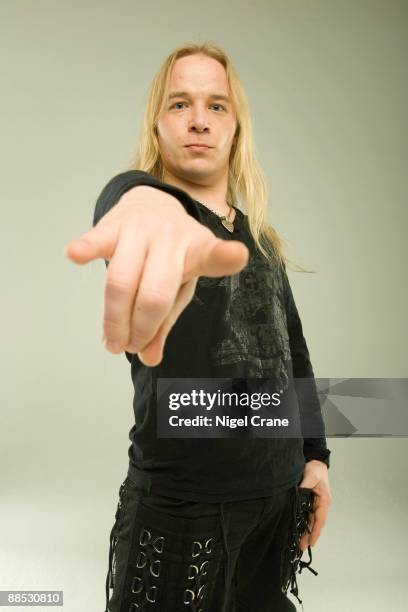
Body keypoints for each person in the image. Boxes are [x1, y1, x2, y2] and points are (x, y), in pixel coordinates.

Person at [64, 42, 332, 612]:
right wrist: (141, 200)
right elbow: (131, 198)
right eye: (180, 104)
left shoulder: (260, 239)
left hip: (278, 500)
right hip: (185, 506)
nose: (198, 121)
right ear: (157, 125)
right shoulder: (152, 212)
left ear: (236, 127)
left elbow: (295, 355)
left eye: (217, 106)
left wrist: (316, 460)